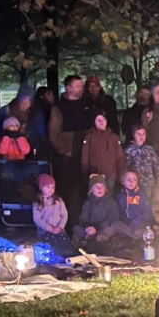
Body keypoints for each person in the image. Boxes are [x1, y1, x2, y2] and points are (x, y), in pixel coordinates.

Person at [49, 74, 94, 222]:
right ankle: (67, 223)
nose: (81, 88)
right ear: (68, 87)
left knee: (86, 188)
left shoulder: (88, 105)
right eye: (77, 85)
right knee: (69, 191)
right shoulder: (59, 108)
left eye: (81, 85)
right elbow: (53, 133)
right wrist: (64, 150)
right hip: (68, 156)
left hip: (86, 153)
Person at [81, 112, 127, 191]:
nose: (101, 121)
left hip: (110, 174)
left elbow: (119, 156)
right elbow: (85, 157)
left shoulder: (113, 137)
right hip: (95, 174)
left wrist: (122, 171)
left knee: (109, 194)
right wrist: (85, 172)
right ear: (94, 122)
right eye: (98, 119)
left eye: (103, 119)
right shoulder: (89, 137)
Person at [72, 174, 122, 246]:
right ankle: (88, 237)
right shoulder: (88, 203)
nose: (100, 189)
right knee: (76, 228)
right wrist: (87, 227)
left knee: (111, 229)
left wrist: (97, 228)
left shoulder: (111, 202)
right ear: (91, 190)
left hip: (103, 227)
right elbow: (83, 218)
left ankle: (98, 238)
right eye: (97, 187)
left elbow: (113, 218)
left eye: (102, 187)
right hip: (90, 228)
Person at [125, 124, 159, 200]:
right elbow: (126, 167)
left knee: (146, 201)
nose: (141, 136)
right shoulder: (129, 150)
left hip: (148, 182)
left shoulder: (150, 149)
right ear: (133, 135)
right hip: (135, 183)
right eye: (138, 134)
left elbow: (156, 165)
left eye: (143, 134)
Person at [33, 174, 70, 251]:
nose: (51, 189)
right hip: (44, 232)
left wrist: (60, 227)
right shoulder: (37, 203)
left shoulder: (58, 201)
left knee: (64, 245)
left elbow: (64, 215)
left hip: (59, 231)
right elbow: (37, 219)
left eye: (52, 187)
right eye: (48, 187)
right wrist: (49, 228)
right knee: (49, 246)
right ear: (41, 187)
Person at [115, 170, 155, 237]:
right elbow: (119, 213)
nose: (131, 182)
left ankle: (130, 234)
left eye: (134, 180)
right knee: (115, 224)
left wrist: (135, 222)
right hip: (126, 222)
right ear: (122, 181)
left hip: (140, 222)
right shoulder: (120, 196)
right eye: (128, 179)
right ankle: (130, 233)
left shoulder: (141, 195)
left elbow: (147, 213)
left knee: (138, 231)